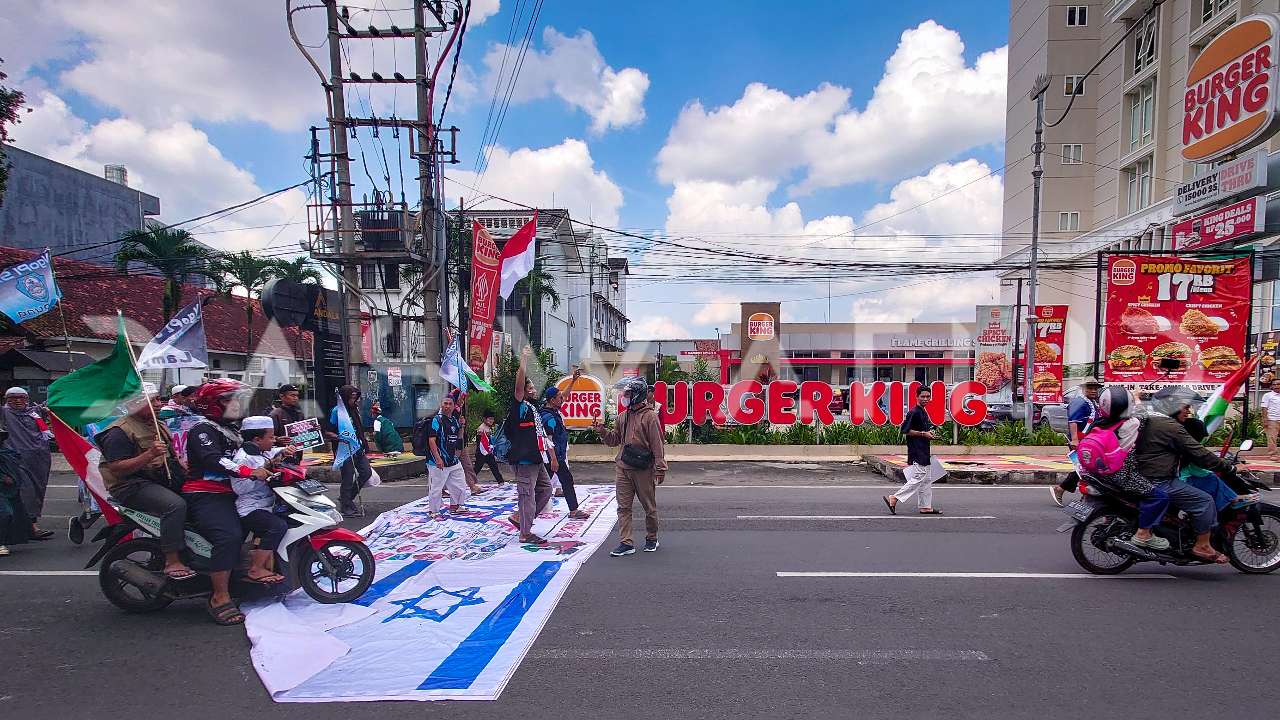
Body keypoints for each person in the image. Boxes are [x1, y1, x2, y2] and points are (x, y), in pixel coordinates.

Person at [185, 379, 269, 626]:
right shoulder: (202, 430)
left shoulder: (230, 429)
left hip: (231, 491)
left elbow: (250, 453)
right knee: (229, 537)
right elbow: (213, 459)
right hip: (207, 493)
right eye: (229, 399)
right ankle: (219, 597)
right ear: (212, 403)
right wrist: (247, 472)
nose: (236, 404)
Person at [97, 384, 195, 581]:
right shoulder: (119, 431)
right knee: (175, 506)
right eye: (152, 400)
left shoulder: (157, 424)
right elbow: (117, 468)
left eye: (158, 399)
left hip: (160, 478)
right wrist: (149, 454)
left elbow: (171, 455)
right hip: (131, 485)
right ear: (134, 404)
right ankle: (172, 560)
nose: (159, 404)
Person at [1131, 386, 1236, 563]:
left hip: (1141, 475)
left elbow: (1138, 408)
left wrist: (1137, 398)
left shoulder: (1147, 418)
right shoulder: (1172, 427)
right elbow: (1200, 454)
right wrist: (1227, 467)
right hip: (1159, 479)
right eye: (1185, 407)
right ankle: (1202, 545)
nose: (1188, 411)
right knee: (1204, 501)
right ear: (1172, 406)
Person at [595, 377, 667, 556]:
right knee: (623, 507)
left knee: (649, 507)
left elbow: (657, 444)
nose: (624, 397)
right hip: (623, 467)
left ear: (637, 395)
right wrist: (602, 431)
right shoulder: (623, 417)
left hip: (643, 469)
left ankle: (652, 538)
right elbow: (614, 440)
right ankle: (626, 543)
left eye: (627, 393)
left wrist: (660, 468)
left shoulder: (650, 417)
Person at [231, 416, 296, 584]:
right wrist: (256, 476)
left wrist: (285, 450)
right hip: (250, 508)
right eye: (271, 437)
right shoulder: (243, 459)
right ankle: (256, 568)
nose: (274, 441)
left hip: (267, 504)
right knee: (277, 526)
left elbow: (275, 452)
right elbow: (239, 488)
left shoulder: (262, 451)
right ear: (257, 439)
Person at [505, 346, 555, 545]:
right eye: (530, 387)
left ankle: (520, 517)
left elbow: (541, 435)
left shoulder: (532, 408)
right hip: (524, 460)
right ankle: (525, 533)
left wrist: (550, 456)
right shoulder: (519, 406)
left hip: (537, 457)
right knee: (527, 496)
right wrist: (524, 360)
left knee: (546, 489)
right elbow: (518, 386)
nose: (534, 389)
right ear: (524, 392)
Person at [0, 387, 54, 540]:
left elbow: (54, 403)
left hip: (39, 460)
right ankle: (32, 527)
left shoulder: (35, 412)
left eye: (21, 397)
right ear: (6, 400)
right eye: (13, 398)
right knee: (26, 492)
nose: (17, 401)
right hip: (17, 461)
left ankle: (26, 526)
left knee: (37, 492)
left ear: (27, 399)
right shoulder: (5, 413)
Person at [883, 386, 943, 515]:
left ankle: (925, 506)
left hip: (924, 449)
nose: (925, 399)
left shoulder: (923, 411)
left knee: (926, 479)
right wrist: (923, 434)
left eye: (928, 396)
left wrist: (929, 434)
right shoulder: (914, 412)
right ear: (917, 397)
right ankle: (895, 497)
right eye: (923, 396)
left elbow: (922, 430)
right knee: (919, 477)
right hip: (917, 449)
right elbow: (905, 430)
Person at [541, 368, 590, 520]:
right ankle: (522, 514)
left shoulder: (552, 410)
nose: (562, 399)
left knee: (549, 485)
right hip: (553, 457)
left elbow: (565, 395)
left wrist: (573, 381)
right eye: (559, 397)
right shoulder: (549, 418)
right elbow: (548, 440)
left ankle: (573, 510)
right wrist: (554, 459)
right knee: (546, 486)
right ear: (552, 400)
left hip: (556, 456)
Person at [1052, 377, 1104, 507]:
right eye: (1090, 388)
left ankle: (1066, 490)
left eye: (1095, 388)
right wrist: (1075, 440)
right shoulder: (1079, 402)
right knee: (1083, 469)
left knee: (1085, 469)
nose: (1093, 391)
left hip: (1089, 441)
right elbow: (1073, 421)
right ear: (1083, 388)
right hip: (1080, 440)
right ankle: (1065, 490)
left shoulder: (1092, 402)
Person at [325, 385, 372, 516]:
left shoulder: (354, 409)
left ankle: (347, 498)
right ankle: (346, 505)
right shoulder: (337, 411)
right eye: (351, 398)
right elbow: (328, 431)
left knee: (366, 472)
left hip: (357, 447)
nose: (354, 400)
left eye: (355, 398)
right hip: (344, 448)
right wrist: (340, 438)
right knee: (348, 476)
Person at [426, 394, 469, 514]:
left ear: (454, 406)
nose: (448, 406)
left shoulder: (454, 420)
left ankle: (456, 506)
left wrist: (462, 426)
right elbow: (431, 440)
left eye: (450, 404)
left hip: (452, 459)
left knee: (460, 484)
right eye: (445, 403)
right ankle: (433, 511)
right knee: (436, 488)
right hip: (437, 461)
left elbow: (458, 437)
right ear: (441, 404)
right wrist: (438, 458)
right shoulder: (436, 420)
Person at [269, 384, 306, 465]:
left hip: (297, 454)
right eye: (292, 395)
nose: (295, 398)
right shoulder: (275, 414)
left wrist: (314, 429)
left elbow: (304, 432)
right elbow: (266, 436)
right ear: (282, 396)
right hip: (280, 457)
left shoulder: (300, 414)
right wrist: (277, 439)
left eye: (297, 395)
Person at [474, 410, 505, 483]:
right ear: (484, 419)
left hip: (488, 451)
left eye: (492, 419)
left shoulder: (488, 428)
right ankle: (470, 481)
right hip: (481, 452)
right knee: (477, 468)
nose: (491, 421)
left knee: (494, 466)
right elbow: (481, 443)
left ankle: (501, 482)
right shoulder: (482, 428)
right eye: (490, 419)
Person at [1263, 379, 1280, 460]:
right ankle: (1273, 455)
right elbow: (1264, 408)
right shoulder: (1267, 395)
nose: (1276, 386)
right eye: (1274, 384)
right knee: (1272, 438)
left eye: (1278, 384)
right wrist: (1265, 420)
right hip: (1272, 419)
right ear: (1271, 386)